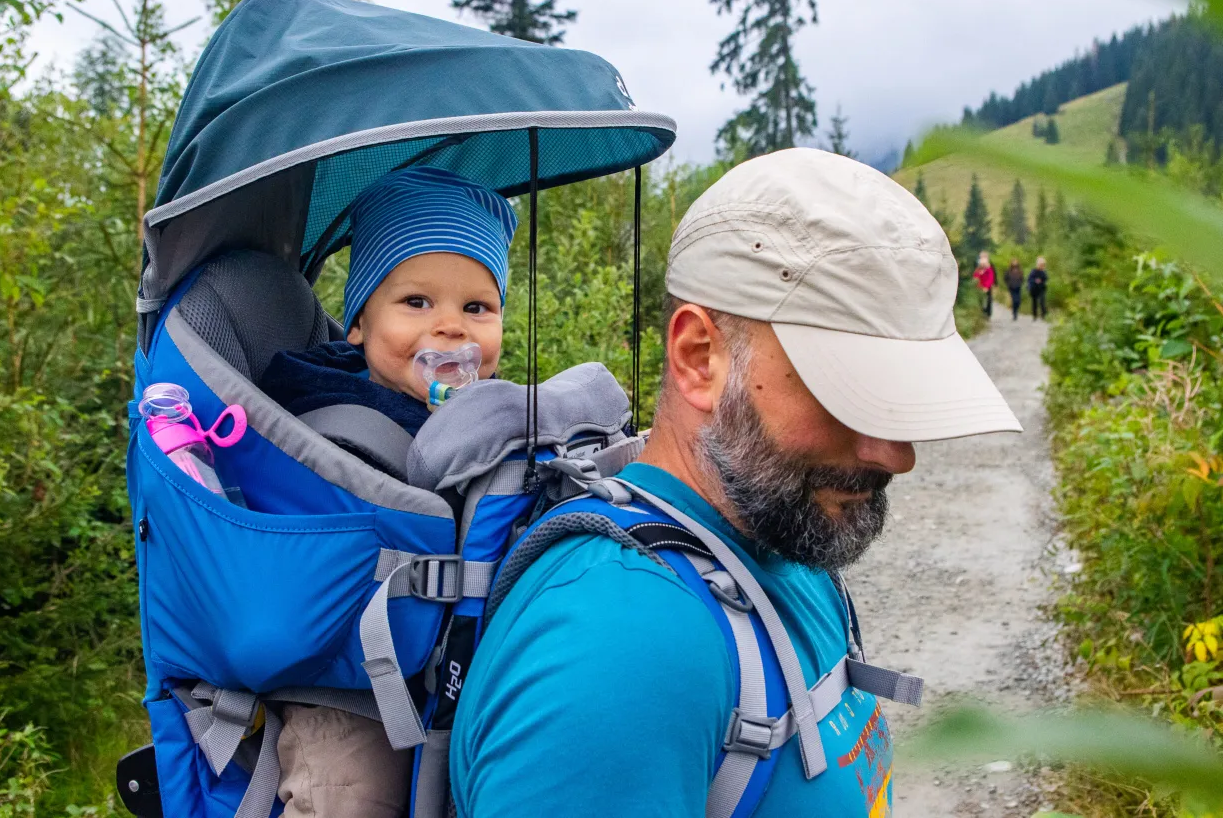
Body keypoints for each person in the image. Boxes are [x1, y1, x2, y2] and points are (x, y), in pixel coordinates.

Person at [450, 148, 1021, 817]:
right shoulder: (615, 653)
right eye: (849, 392)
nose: (896, 454)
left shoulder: (775, 537)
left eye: (899, 396)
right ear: (699, 357)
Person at [259, 166, 517, 818]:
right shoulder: (335, 421)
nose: (452, 328)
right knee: (350, 798)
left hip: (440, 677)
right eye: (417, 303)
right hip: (346, 697)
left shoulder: (472, 412)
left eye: (477, 307)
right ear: (358, 325)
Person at [973, 250, 995, 318]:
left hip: (987, 287)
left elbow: (991, 278)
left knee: (988, 300)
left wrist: (986, 286)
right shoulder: (978, 269)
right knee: (980, 301)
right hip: (979, 287)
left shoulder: (989, 268)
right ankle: (981, 313)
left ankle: (988, 313)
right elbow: (975, 276)